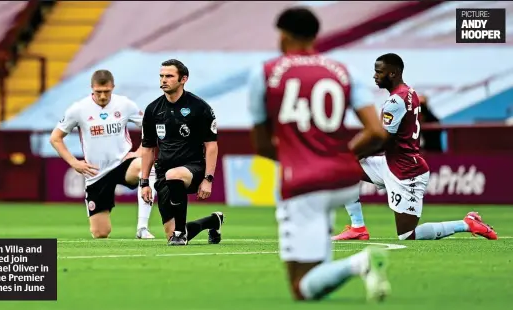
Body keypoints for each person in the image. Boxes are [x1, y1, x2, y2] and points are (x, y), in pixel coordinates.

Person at [247, 7, 393, 302]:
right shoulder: (343, 70)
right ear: (315, 36)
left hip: (303, 183)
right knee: (317, 256)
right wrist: (338, 155)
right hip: (344, 180)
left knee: (300, 287)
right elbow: (377, 132)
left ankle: (360, 263)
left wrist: (301, 158)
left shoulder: (265, 73)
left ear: (284, 35)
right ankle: (341, 263)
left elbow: (262, 145)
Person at [332, 53, 498, 241]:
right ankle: (358, 227)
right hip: (391, 162)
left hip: (406, 171)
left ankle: (467, 223)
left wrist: (352, 152)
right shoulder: (409, 93)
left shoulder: (395, 102)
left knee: (407, 235)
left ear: (393, 73)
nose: (374, 76)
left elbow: (382, 140)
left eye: (379, 72)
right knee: (344, 169)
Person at [50, 69, 157, 239]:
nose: (102, 96)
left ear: (113, 87)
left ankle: (142, 228)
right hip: (96, 173)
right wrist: (74, 163)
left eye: (106, 92)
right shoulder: (78, 109)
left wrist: (140, 151)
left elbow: (149, 127)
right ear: (91, 88)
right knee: (101, 233)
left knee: (147, 166)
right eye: (98, 92)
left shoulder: (125, 104)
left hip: (122, 163)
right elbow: (55, 138)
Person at [139, 59, 224, 246]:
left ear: (183, 79)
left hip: (193, 168)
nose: (163, 80)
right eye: (161, 76)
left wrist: (208, 179)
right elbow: (148, 148)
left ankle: (180, 233)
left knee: (174, 175)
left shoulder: (199, 108)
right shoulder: (153, 110)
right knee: (169, 236)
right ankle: (212, 221)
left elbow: (211, 146)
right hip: (163, 172)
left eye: (169, 76)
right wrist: (144, 182)